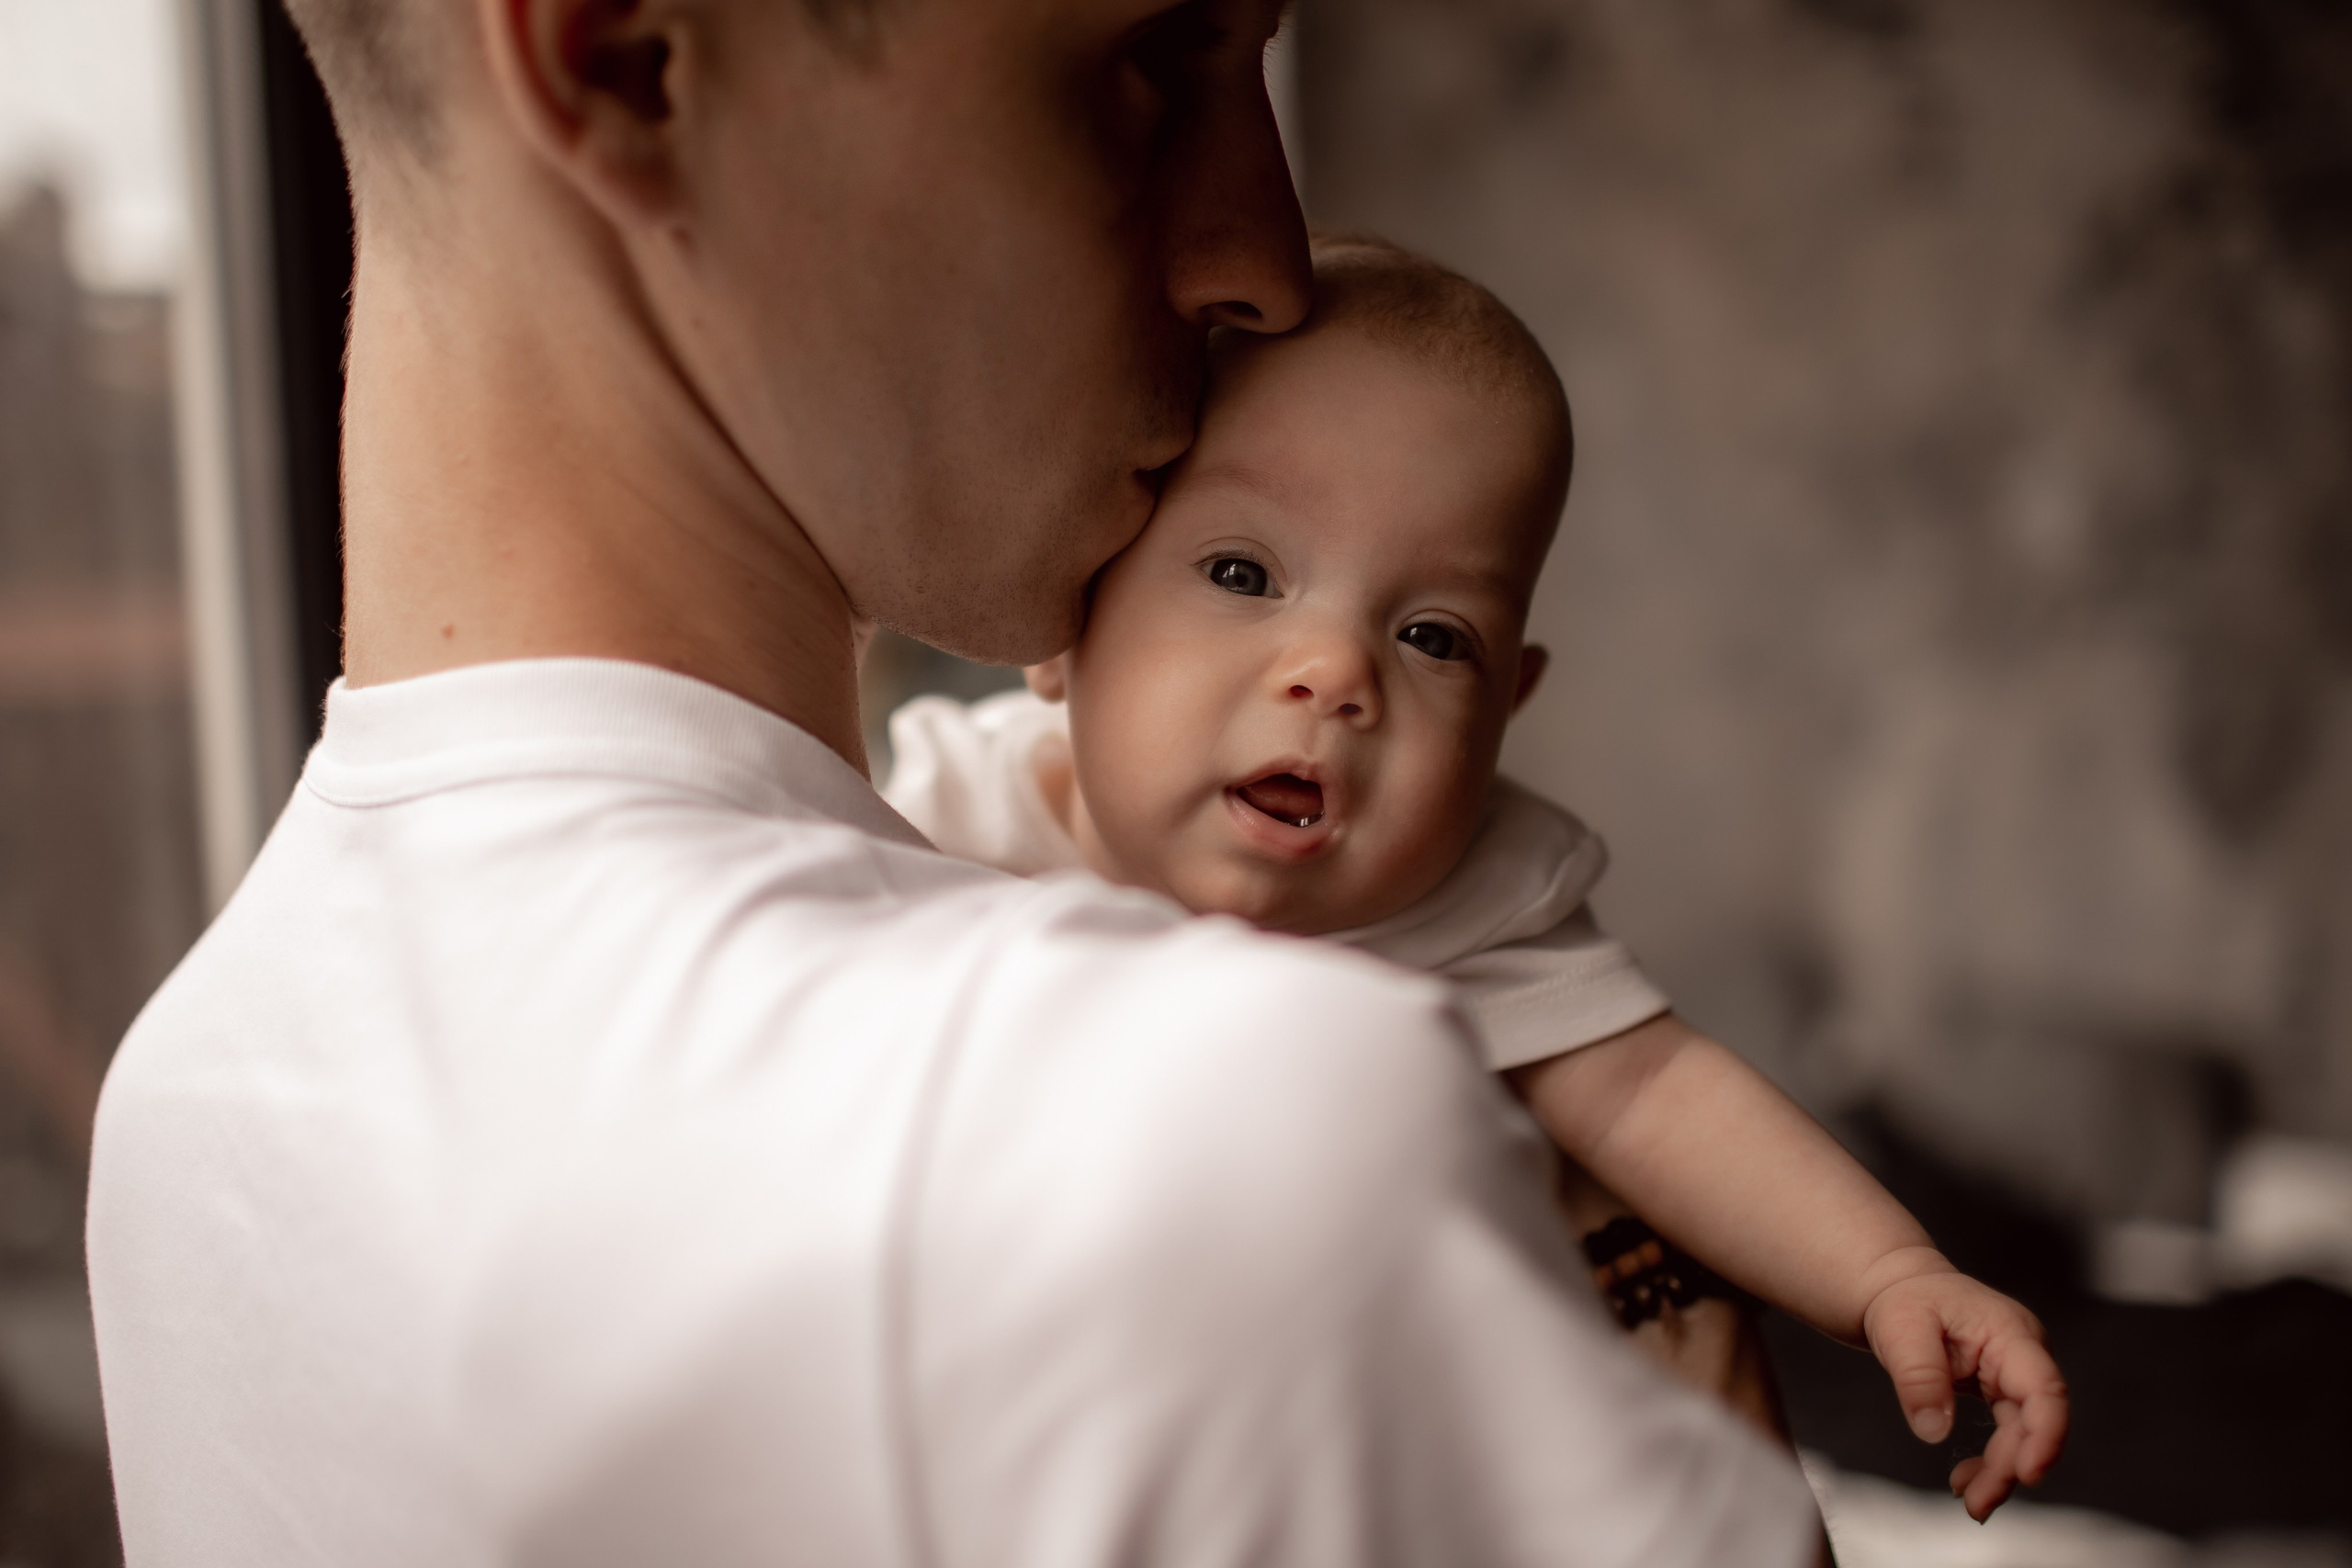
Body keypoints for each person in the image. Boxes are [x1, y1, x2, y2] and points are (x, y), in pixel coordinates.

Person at [85, 1, 1822, 1563]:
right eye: (1150, 61)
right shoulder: (1204, 1132)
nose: (1267, 260)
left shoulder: (187, 1113)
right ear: (625, 60)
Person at [884, 236, 2070, 1522]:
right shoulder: (948, 829)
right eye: (1242, 574)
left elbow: (1650, 1090)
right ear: (1068, 622)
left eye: (1431, 636)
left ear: (1510, 705)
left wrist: (1890, 1273)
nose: (1335, 672)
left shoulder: (1456, 903)